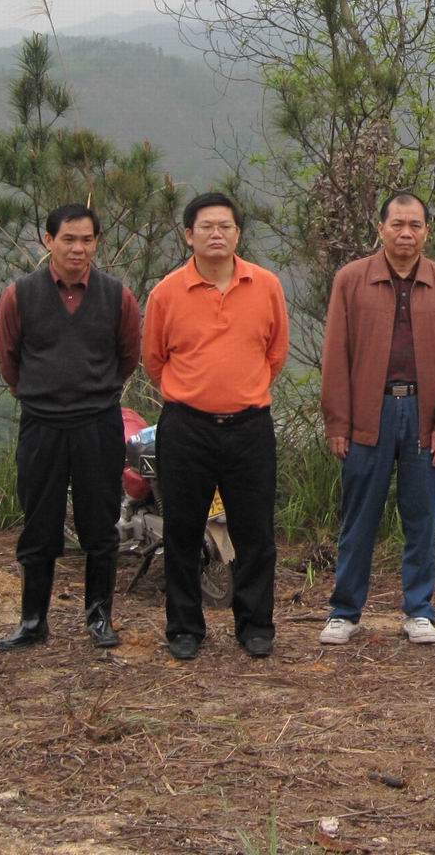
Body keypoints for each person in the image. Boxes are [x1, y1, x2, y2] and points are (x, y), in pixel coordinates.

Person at [319, 191, 435, 646]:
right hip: (371, 411)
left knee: (421, 516)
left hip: (424, 415)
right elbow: (335, 358)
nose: (406, 233)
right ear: (381, 228)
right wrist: (338, 423)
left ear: (427, 231)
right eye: (398, 225)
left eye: (416, 225)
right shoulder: (351, 280)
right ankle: (344, 611)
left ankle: (420, 610)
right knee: (358, 517)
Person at [141, 192, 288, 661]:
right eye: (206, 226)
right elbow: (154, 360)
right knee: (182, 530)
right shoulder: (167, 292)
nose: (216, 234)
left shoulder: (265, 285)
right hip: (187, 428)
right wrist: (194, 393)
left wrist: (242, 389)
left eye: (225, 226)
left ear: (238, 234)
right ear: (189, 235)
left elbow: (276, 352)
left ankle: (255, 624)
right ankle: (185, 626)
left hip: (249, 427)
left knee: (255, 531)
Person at [0, 203, 141, 651]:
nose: (78, 248)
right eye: (68, 239)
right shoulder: (20, 295)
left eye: (87, 239)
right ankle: (33, 620)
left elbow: (127, 355)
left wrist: (96, 392)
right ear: (48, 241)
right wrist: (42, 394)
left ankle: (99, 618)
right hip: (42, 425)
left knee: (100, 525)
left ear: (97, 242)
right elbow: (9, 361)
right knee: (40, 524)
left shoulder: (117, 296)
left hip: (98, 423)